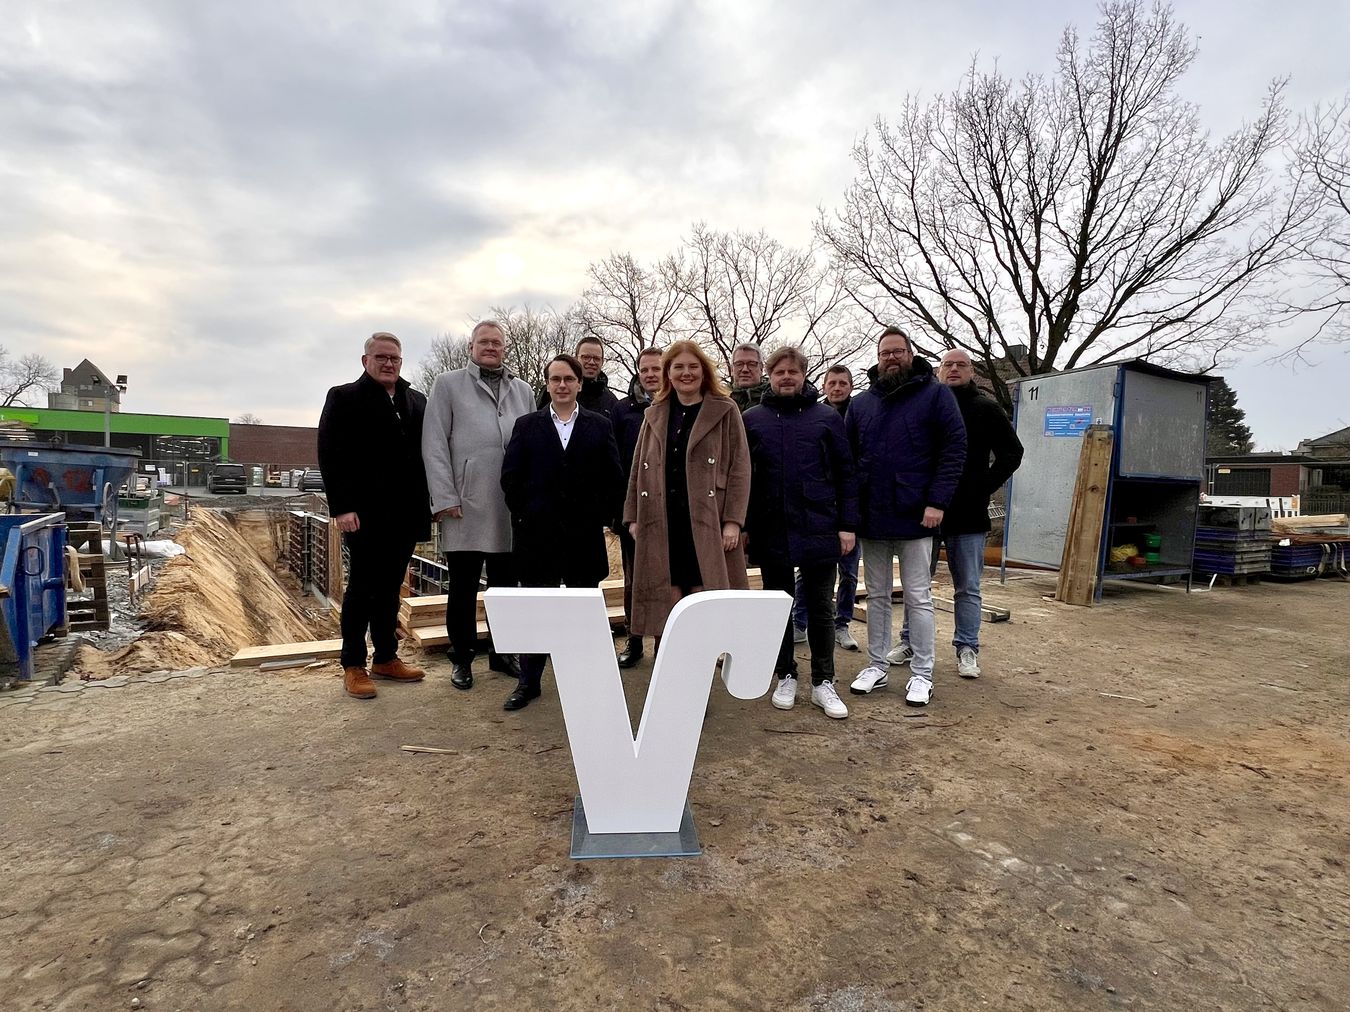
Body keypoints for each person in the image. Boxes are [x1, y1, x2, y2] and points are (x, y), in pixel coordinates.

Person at [846, 326, 966, 707]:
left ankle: (923, 673)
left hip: (918, 515)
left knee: (918, 597)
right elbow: (847, 461)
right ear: (878, 358)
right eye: (885, 352)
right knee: (878, 596)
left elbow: (953, 449)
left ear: (911, 355)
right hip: (872, 517)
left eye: (898, 351)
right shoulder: (862, 403)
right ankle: (877, 666)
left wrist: (938, 502)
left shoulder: (936, 396)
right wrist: (850, 514)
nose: (892, 357)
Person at [500, 355, 624, 711]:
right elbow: (510, 479)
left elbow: (613, 479)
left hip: (583, 537)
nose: (562, 385)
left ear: (580, 384)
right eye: (555, 379)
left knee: (585, 611)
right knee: (538, 613)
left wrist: (596, 515)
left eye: (569, 379)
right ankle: (528, 683)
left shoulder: (599, 425)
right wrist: (526, 515)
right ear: (548, 384)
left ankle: (587, 680)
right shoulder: (527, 425)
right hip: (538, 537)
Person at [891, 349, 1024, 678]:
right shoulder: (925, 405)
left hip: (968, 512)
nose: (953, 370)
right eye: (947, 365)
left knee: (967, 586)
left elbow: (1012, 452)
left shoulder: (986, 408)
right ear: (938, 371)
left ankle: (967, 647)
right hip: (923, 514)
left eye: (960, 365)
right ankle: (910, 641)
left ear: (971, 372)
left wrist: (984, 485)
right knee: (916, 584)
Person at [743, 348, 857, 719]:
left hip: (820, 525)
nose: (787, 377)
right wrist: (743, 525)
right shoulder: (752, 419)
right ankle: (785, 674)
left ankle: (824, 681)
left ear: (805, 375)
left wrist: (847, 524)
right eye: (780, 372)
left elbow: (845, 473)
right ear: (769, 375)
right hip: (772, 527)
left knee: (822, 608)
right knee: (778, 607)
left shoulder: (826, 417)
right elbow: (741, 478)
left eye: (794, 371)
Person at [422, 320, 535, 690]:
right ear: (471, 346)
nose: (491, 347)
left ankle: (503, 653)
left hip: (509, 506)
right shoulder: (448, 384)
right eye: (483, 342)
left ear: (505, 348)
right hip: (465, 504)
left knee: (505, 586)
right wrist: (444, 497)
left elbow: (534, 443)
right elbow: (435, 443)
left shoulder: (523, 390)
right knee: (464, 586)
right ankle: (462, 657)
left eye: (497, 343)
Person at [317, 332, 430, 700]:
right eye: (381, 357)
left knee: (389, 588)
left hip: (406, 512)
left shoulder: (416, 400)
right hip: (364, 514)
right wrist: (342, 506)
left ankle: (385, 657)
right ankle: (353, 664)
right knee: (362, 589)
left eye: (395, 358)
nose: (389, 363)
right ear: (365, 360)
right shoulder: (344, 397)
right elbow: (331, 455)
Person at [623, 340, 750, 639]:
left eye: (693, 366)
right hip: (662, 520)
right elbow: (636, 470)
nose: (686, 373)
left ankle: (705, 655)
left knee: (703, 591)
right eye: (678, 367)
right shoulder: (654, 413)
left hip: (707, 519)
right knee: (666, 594)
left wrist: (733, 521)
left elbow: (740, 469)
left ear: (704, 371)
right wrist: (633, 518)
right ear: (668, 374)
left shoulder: (725, 410)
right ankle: (671, 664)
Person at [792, 364, 862, 651]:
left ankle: (842, 623)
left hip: (848, 507)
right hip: (816, 510)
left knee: (849, 571)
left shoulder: (859, 415)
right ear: (823, 386)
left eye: (842, 383)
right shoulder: (812, 416)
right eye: (832, 383)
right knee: (807, 572)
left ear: (850, 386)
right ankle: (799, 622)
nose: (837, 387)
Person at [611, 346, 663, 668]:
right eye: (645, 370)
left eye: (656, 369)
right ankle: (633, 641)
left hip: (669, 512)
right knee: (633, 582)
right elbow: (616, 463)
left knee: (667, 581)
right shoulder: (623, 410)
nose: (650, 375)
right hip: (633, 512)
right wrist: (622, 513)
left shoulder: (679, 406)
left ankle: (663, 644)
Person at [535, 336, 619, 417]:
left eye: (596, 358)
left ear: (602, 361)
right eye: (586, 357)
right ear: (575, 358)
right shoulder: (554, 391)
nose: (591, 362)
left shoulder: (610, 401)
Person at [729, 342, 770, 412]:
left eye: (752, 364)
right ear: (732, 370)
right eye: (739, 364)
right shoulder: (721, 404)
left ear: (761, 368)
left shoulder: (774, 403)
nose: (745, 369)